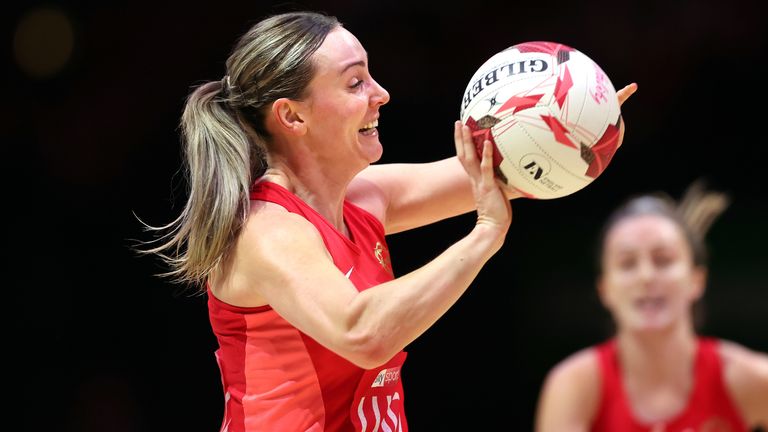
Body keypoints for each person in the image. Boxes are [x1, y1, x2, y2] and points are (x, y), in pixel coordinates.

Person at [138, 10, 636, 432]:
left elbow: (494, 174)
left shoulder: (363, 198)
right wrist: (484, 237)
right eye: (356, 82)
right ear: (292, 116)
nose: (382, 94)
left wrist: (573, 126)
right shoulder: (267, 230)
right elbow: (364, 335)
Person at [534, 180, 768, 432]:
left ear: (696, 279)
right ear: (605, 290)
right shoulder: (575, 386)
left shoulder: (750, 378)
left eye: (663, 260)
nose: (646, 276)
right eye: (627, 263)